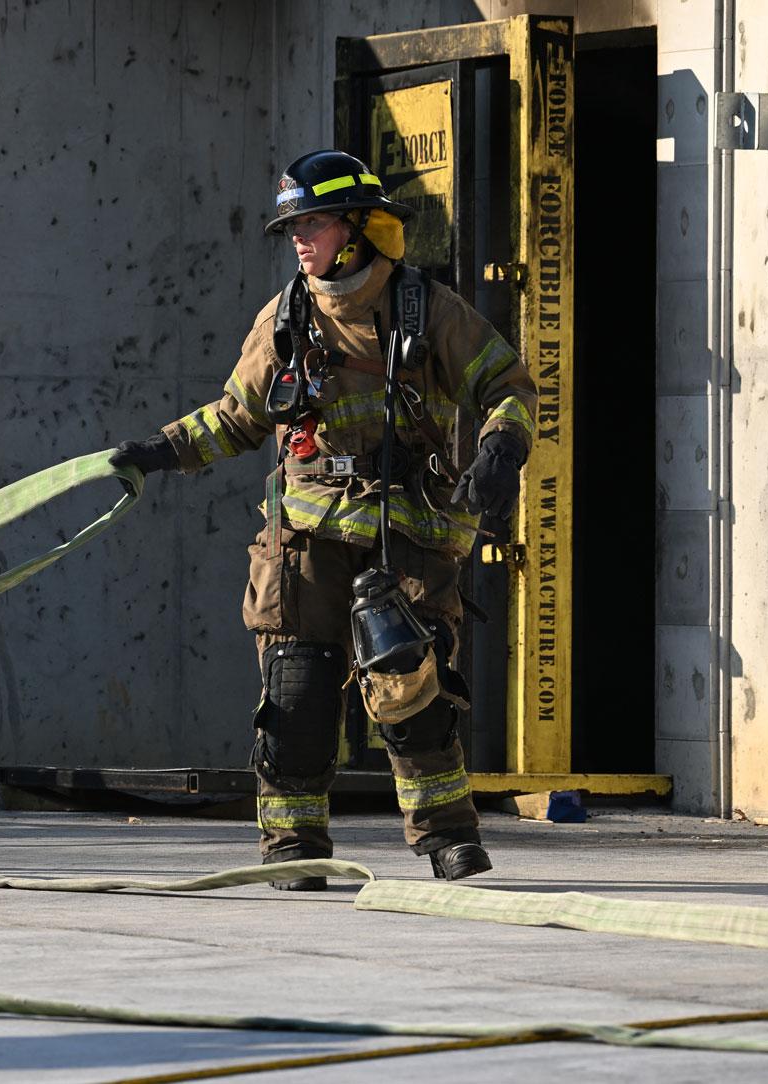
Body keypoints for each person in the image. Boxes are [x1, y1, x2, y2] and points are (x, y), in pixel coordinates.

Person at [111, 150, 536, 887]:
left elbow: (507, 382)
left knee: (407, 684)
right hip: (303, 541)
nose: (298, 238)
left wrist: (501, 448)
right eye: (292, 226)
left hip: (404, 534)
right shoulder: (281, 319)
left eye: (311, 222)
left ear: (358, 226)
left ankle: (446, 838)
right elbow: (236, 420)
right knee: (297, 694)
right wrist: (157, 451)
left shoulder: (425, 309)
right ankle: (293, 846)